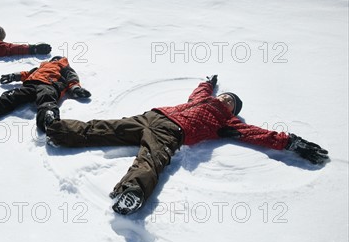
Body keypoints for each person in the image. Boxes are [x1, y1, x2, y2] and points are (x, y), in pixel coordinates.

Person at [45, 75, 329, 216]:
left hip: (172, 132)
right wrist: (208, 83)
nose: (226, 100)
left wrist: (291, 142)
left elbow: (257, 134)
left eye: (232, 102)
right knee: (104, 128)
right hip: (153, 116)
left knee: (151, 159)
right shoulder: (201, 99)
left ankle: (133, 191)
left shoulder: (227, 123)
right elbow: (200, 91)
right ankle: (57, 129)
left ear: (233, 110)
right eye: (227, 96)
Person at [0, 56, 92, 132]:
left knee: (46, 98)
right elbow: (27, 74)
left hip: (49, 84)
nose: (54, 60)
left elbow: (71, 77)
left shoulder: (63, 66)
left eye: (57, 59)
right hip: (31, 84)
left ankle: (49, 119)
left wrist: (75, 88)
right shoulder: (41, 67)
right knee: (15, 95)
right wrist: (13, 76)